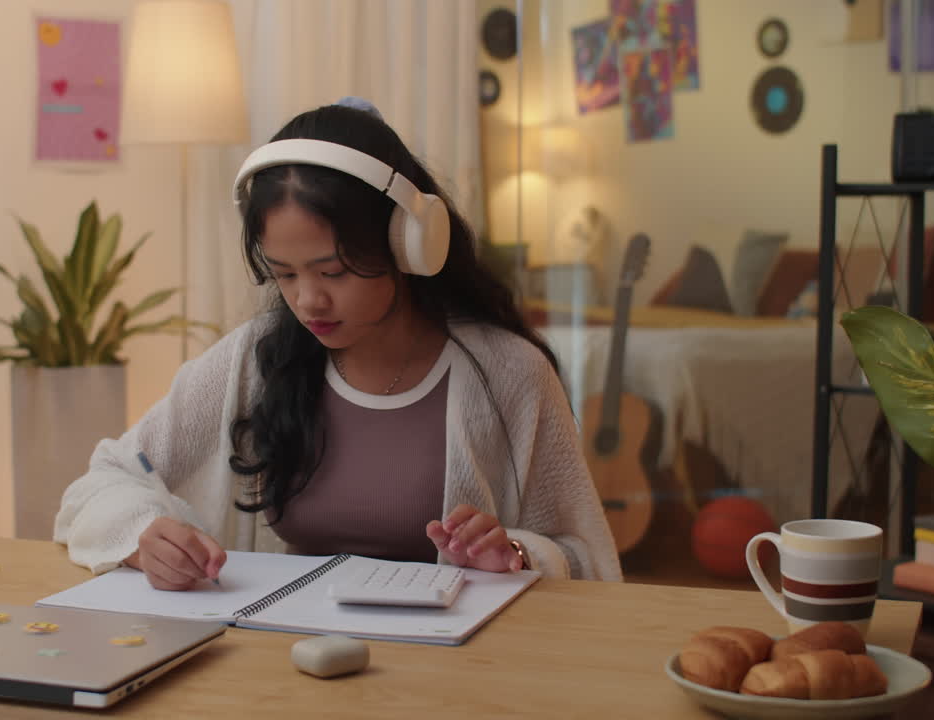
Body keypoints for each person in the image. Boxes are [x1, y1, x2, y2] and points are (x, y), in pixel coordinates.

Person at [55, 99, 621, 590]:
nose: (308, 302)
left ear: (409, 245)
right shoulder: (257, 360)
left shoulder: (508, 373)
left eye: (334, 272)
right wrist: (140, 535)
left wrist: (518, 555)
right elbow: (104, 480)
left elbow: (588, 558)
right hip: (288, 662)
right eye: (284, 273)